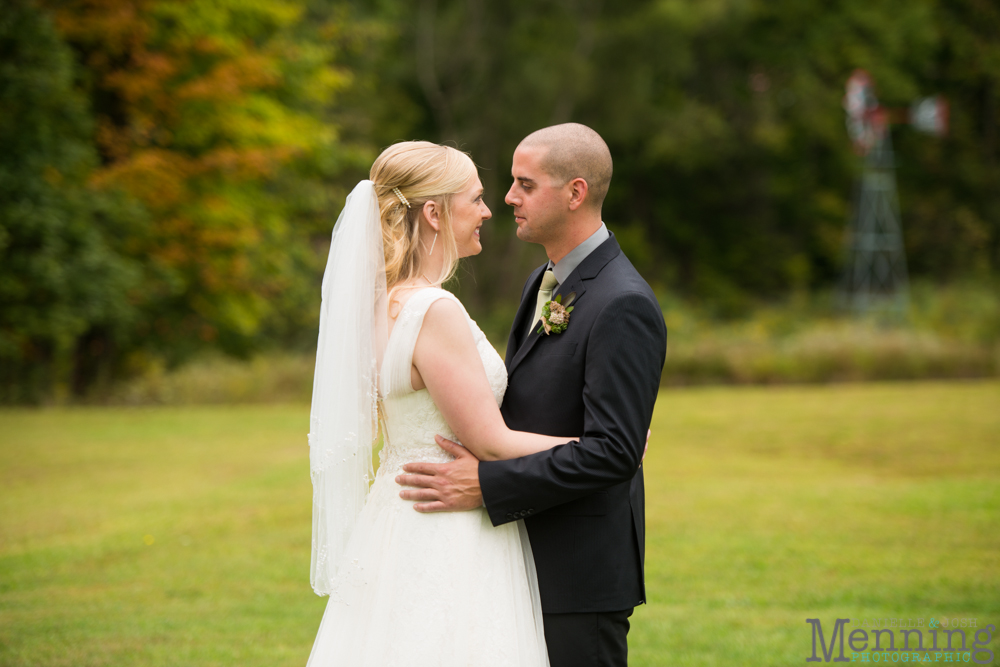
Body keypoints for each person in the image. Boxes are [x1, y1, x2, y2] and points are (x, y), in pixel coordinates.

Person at [306, 140, 590, 666]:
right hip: (448, 523)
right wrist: (596, 445)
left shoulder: (380, 304)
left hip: (395, 520)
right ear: (434, 212)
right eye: (475, 198)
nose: (489, 210)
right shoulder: (434, 308)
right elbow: (489, 440)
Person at [396, 123, 668, 667]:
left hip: (577, 572)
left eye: (525, 183)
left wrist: (488, 484)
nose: (507, 197)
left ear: (575, 193)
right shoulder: (542, 281)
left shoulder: (622, 304)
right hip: (517, 559)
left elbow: (614, 454)